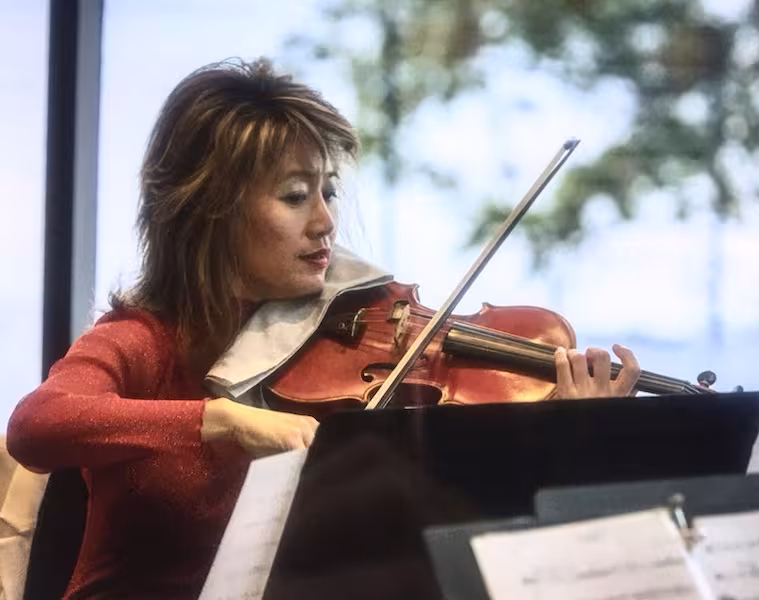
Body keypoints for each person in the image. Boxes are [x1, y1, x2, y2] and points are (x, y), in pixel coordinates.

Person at [4, 58, 642, 599]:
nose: (325, 223)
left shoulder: (338, 334)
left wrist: (571, 434)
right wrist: (219, 419)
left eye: (329, 192)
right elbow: (38, 424)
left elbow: (443, 507)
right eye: (294, 196)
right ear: (209, 212)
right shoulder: (141, 338)